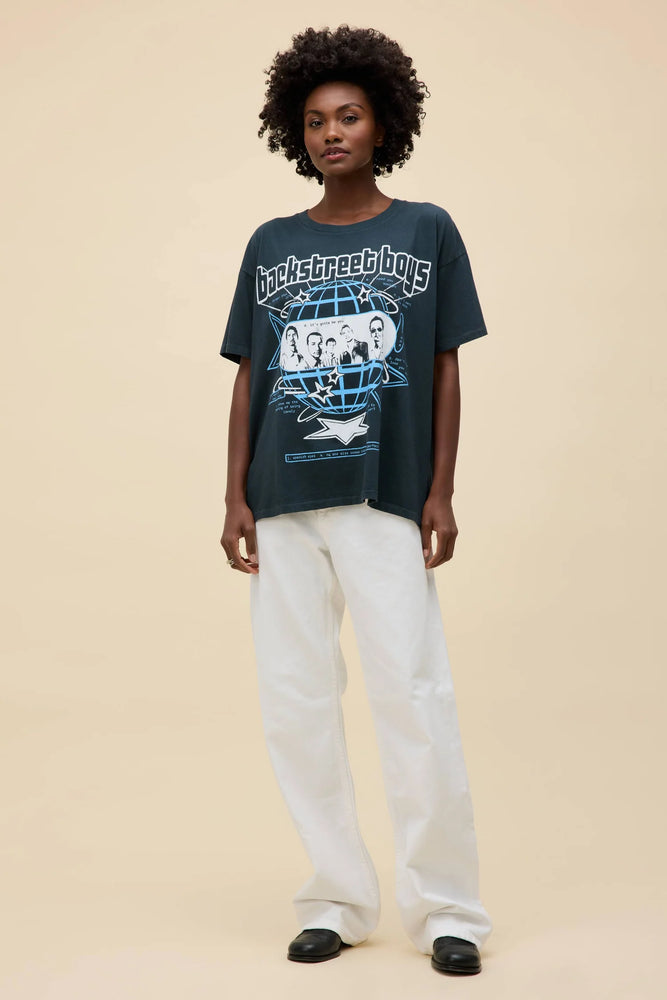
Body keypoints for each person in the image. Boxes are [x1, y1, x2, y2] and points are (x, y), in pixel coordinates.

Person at [219, 24, 493, 976]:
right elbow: (250, 373)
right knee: (296, 702)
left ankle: (448, 910)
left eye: (348, 116)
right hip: (281, 497)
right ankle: (335, 898)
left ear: (384, 125)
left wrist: (440, 490)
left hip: (383, 495)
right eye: (314, 120)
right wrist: (233, 495)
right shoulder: (271, 244)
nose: (331, 132)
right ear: (294, 134)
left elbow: (443, 362)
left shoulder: (425, 229)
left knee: (412, 692)